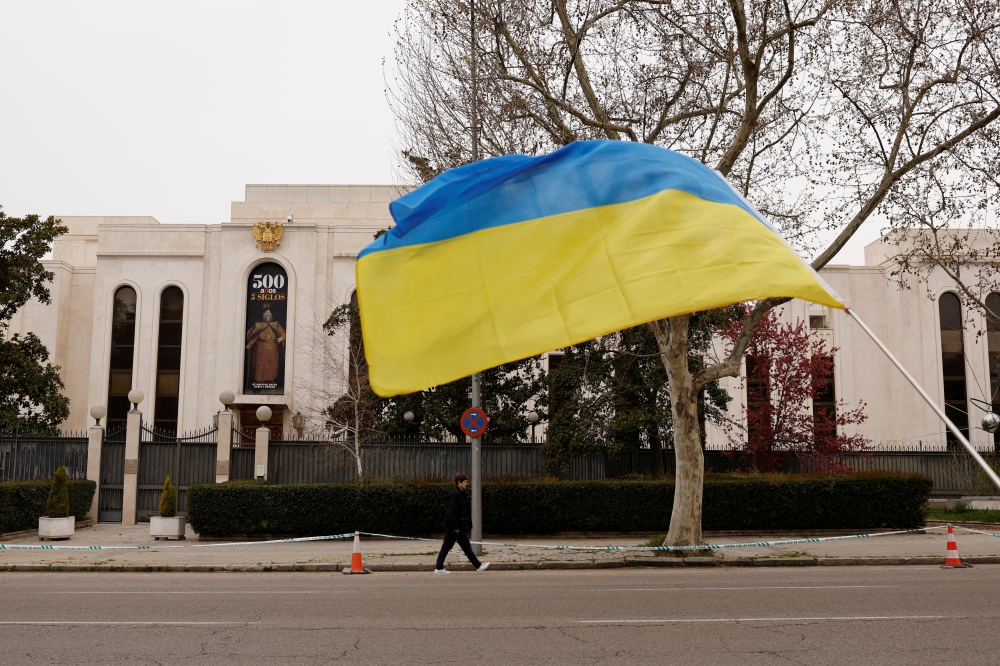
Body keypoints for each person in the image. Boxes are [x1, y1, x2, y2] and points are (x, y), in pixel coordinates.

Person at [434, 473, 490, 574]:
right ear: (459, 483)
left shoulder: (459, 492)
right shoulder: (455, 494)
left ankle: (438, 567)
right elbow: (451, 511)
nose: (466, 484)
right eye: (464, 482)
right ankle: (478, 566)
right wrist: (456, 526)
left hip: (453, 525)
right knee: (466, 546)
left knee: (446, 546)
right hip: (456, 526)